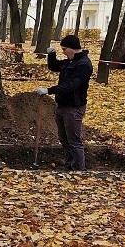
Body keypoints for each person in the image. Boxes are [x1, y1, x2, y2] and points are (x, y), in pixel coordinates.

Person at [35, 34, 93, 171]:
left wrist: (49, 90)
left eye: (64, 49)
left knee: (74, 141)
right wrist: (51, 55)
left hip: (74, 107)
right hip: (62, 106)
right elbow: (55, 67)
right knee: (64, 140)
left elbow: (71, 85)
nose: (63, 52)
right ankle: (69, 166)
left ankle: (79, 171)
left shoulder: (83, 65)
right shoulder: (70, 61)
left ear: (73, 49)